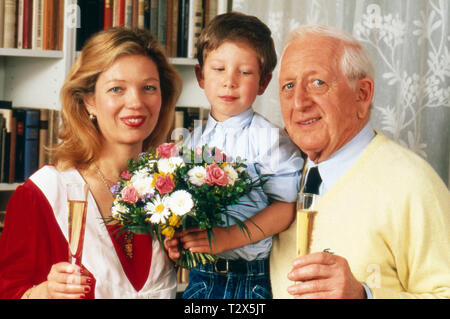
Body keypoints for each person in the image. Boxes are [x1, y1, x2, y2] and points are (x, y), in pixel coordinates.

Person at [0, 27, 182, 299]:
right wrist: (46, 293)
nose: (136, 102)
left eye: (148, 88)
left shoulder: (174, 191)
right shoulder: (46, 194)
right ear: (88, 101)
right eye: (116, 89)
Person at [271, 24, 450, 299]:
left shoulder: (413, 184)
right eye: (288, 86)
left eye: (317, 83)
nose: (298, 103)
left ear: (362, 94)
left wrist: (363, 296)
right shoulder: (280, 176)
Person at [165, 12, 303, 299]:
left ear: (264, 82)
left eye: (245, 72)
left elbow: (284, 209)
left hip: (249, 281)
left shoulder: (269, 140)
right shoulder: (192, 140)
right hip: (200, 277)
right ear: (201, 76)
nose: (230, 82)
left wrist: (227, 237)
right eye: (218, 69)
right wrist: (178, 239)